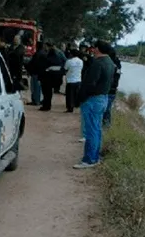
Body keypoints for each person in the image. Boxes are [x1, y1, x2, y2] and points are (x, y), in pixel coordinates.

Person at [74, 40, 115, 169]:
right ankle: (95, 156)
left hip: (92, 100)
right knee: (96, 129)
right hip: (103, 98)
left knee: (91, 131)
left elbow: (90, 84)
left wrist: (81, 97)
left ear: (97, 49)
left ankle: (89, 159)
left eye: (93, 48)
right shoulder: (110, 63)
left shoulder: (98, 64)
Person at [39, 42, 65, 112]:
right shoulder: (57, 57)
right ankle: (47, 105)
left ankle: (46, 106)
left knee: (46, 93)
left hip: (47, 79)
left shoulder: (47, 58)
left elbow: (44, 68)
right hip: (54, 78)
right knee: (49, 93)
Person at [103, 48, 122, 127]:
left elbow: (115, 79)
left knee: (107, 108)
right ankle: (105, 124)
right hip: (110, 90)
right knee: (106, 108)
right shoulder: (116, 65)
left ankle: (106, 124)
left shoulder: (113, 66)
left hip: (110, 90)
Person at [25, 41, 45, 106]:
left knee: (35, 88)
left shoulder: (37, 54)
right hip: (41, 73)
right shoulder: (44, 53)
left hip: (35, 73)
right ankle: (37, 100)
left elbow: (32, 64)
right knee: (38, 88)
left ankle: (36, 101)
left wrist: (27, 68)